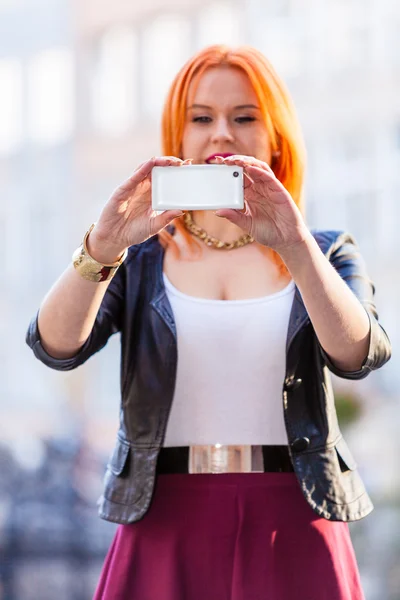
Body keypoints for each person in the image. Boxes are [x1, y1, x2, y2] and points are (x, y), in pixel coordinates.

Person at [26, 44, 392, 600]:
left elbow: (359, 353)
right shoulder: (140, 258)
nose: (222, 133)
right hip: (163, 517)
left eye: (245, 117)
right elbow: (55, 344)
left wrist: (293, 244)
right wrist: (102, 246)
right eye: (202, 118)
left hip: (295, 517)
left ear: (276, 137)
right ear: (178, 140)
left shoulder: (323, 250)